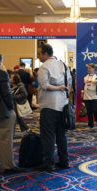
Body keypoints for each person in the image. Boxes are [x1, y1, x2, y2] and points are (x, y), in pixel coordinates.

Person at [37, 43, 71, 172]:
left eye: (40, 54)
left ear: (46, 54)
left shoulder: (43, 67)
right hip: (62, 104)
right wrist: (62, 88)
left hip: (48, 105)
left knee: (48, 136)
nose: (38, 56)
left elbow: (45, 86)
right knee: (61, 134)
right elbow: (69, 83)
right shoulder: (63, 65)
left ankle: (49, 163)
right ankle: (64, 161)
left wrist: (57, 87)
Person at [82, 63, 97, 128]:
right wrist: (82, 92)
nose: (88, 69)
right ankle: (90, 123)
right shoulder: (86, 77)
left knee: (95, 109)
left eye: (89, 68)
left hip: (95, 96)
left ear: (93, 68)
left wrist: (93, 82)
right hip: (87, 96)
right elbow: (84, 85)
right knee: (89, 110)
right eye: (88, 68)